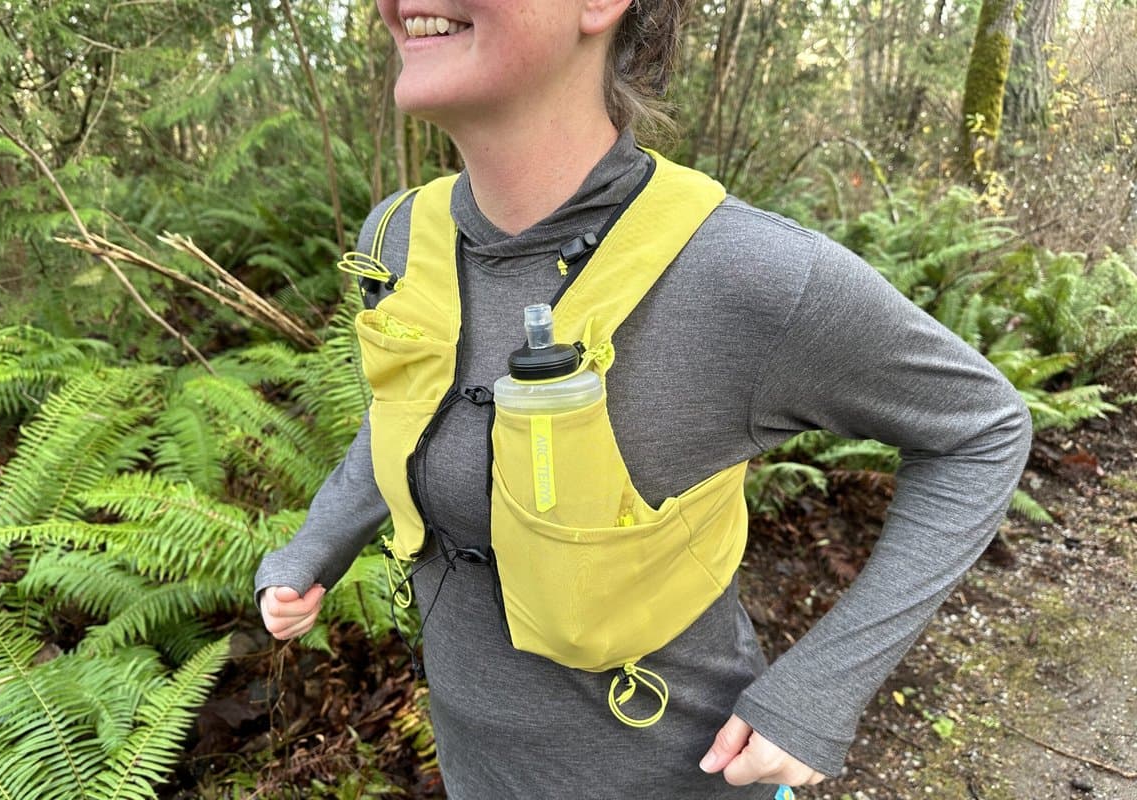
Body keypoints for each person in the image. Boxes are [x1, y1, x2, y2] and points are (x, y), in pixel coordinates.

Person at [255, 1, 1033, 797]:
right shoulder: (394, 237)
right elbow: (403, 414)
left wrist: (820, 691)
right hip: (476, 770)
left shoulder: (740, 271)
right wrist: (316, 544)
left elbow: (983, 430)